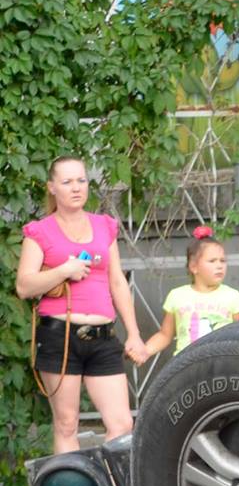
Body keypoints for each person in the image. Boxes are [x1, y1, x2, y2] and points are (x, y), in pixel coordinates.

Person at [14, 156, 148, 454]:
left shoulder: (104, 226)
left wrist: (134, 333)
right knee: (66, 423)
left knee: (122, 423)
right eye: (67, 182)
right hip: (59, 337)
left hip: (103, 337)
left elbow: (117, 282)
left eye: (81, 180)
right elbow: (24, 286)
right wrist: (64, 270)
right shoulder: (39, 231)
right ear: (52, 188)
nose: (76, 188)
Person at [141, 228, 239, 359]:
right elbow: (165, 335)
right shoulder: (177, 296)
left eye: (222, 260)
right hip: (187, 365)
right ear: (194, 267)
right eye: (212, 261)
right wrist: (144, 351)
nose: (219, 266)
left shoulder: (234, 297)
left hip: (222, 363)